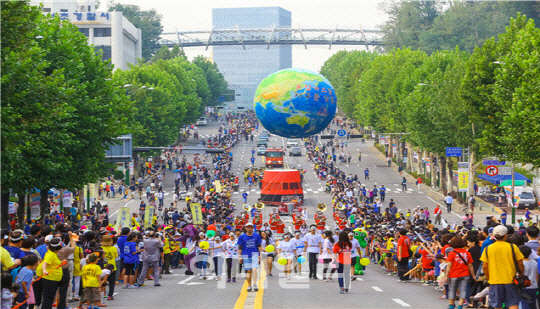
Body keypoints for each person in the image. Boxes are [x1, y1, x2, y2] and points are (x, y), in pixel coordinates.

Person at [480, 225, 524, 309]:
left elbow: (485, 266)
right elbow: (520, 263)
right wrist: (521, 273)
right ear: (506, 235)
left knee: (497, 304)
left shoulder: (488, 249)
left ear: (494, 236)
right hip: (510, 280)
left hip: (495, 280)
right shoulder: (512, 247)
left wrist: (489, 277)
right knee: (513, 303)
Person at [446, 236, 475, 309]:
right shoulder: (467, 253)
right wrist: (473, 275)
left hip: (453, 274)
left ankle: (451, 305)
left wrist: (446, 275)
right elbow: (470, 265)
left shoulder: (451, 253)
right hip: (465, 274)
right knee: (463, 289)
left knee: (452, 290)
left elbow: (449, 265)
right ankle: (460, 305)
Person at [238, 223, 262, 292]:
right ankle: (249, 285)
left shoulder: (257, 235)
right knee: (248, 271)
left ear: (252, 228)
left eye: (251, 227)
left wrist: (260, 255)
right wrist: (240, 256)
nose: (249, 228)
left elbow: (259, 246)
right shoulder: (242, 237)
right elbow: (240, 247)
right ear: (245, 228)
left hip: (255, 254)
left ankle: (254, 284)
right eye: (248, 227)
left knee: (254, 270)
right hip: (245, 254)